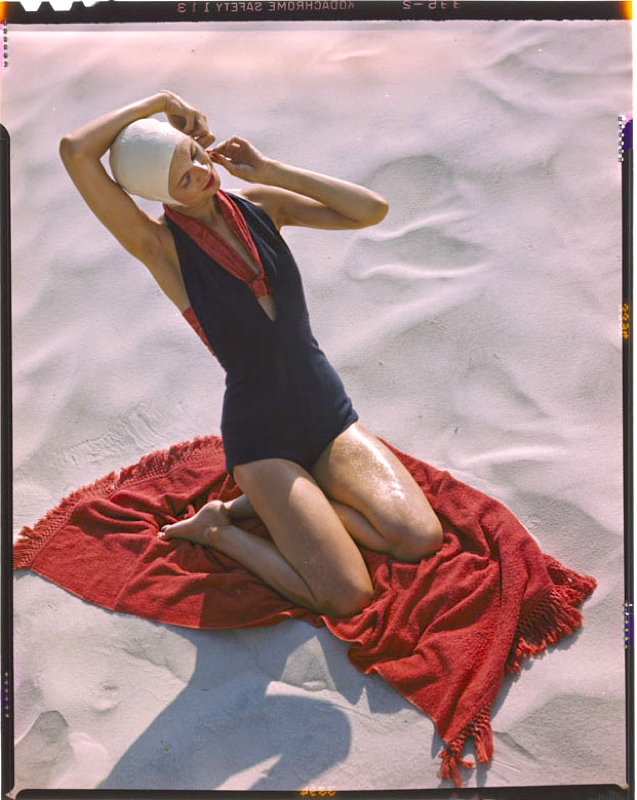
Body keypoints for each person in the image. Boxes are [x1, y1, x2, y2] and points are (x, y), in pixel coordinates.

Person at [59, 90, 443, 618]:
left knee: (419, 538)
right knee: (348, 596)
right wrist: (158, 101)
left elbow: (370, 210)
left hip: (328, 414)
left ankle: (272, 506)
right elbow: (75, 151)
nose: (201, 174)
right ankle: (221, 527)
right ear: (160, 196)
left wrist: (271, 168)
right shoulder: (162, 249)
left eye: (194, 157)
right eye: (183, 178)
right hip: (263, 441)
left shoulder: (261, 205)